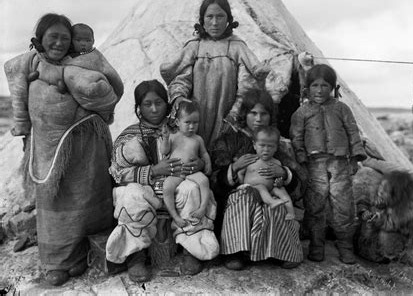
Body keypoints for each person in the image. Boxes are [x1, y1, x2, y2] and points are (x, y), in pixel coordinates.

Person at [3, 13, 123, 286]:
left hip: (87, 147)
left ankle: (88, 252)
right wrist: (22, 127)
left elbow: (108, 92)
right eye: (52, 37)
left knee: (88, 196)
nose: (58, 42)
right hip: (48, 148)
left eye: (64, 38)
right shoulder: (29, 64)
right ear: (41, 39)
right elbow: (18, 91)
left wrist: (65, 78)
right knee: (55, 202)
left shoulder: (81, 63)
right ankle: (59, 260)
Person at [106, 80, 218, 281]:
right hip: (146, 192)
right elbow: (116, 173)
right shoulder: (129, 134)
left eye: (159, 102)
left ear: (167, 104)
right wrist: (152, 170)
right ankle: (136, 256)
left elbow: (199, 153)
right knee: (130, 195)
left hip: (177, 186)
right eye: (147, 104)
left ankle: (192, 248)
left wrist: (199, 164)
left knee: (193, 189)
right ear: (138, 108)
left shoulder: (182, 128)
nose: (155, 109)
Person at [210, 89, 304, 270]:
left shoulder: (278, 144)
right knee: (245, 196)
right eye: (253, 113)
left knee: (279, 203)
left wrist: (284, 174)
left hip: (271, 193)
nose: (258, 118)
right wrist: (234, 169)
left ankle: (282, 251)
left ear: (271, 116)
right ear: (245, 114)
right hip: (238, 200)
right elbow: (213, 179)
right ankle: (235, 251)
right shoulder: (229, 140)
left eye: (264, 113)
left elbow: (301, 183)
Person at [161, 0, 269, 147]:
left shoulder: (237, 48)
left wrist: (234, 114)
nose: (215, 22)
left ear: (228, 19)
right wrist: (179, 98)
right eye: (209, 16)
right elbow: (181, 79)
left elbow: (246, 86)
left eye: (220, 16)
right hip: (194, 118)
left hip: (226, 117)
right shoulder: (194, 47)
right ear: (202, 19)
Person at [290, 63, 366, 264]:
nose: (319, 90)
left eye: (325, 85)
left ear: (332, 88)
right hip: (314, 165)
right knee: (315, 207)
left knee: (344, 207)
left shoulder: (342, 109)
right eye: (315, 85)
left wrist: (356, 157)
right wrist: (301, 160)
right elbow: (296, 138)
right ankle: (317, 245)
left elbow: (353, 133)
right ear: (307, 88)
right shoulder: (302, 112)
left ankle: (345, 247)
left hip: (339, 164)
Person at [160, 100, 213, 228]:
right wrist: (166, 139)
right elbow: (164, 151)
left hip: (192, 172)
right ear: (177, 122)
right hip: (176, 173)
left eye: (195, 123)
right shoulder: (173, 137)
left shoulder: (198, 139)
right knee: (167, 187)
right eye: (187, 122)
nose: (191, 126)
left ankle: (202, 208)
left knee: (204, 181)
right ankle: (175, 216)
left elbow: (204, 153)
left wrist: (208, 163)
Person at [237, 126, 296, 220]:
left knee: (282, 191)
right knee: (261, 187)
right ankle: (271, 202)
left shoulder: (277, 162)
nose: (266, 149)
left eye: (270, 146)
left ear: (276, 148)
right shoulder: (251, 159)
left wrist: (279, 182)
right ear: (254, 145)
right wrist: (242, 185)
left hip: (271, 189)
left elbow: (278, 178)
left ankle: (290, 212)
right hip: (253, 189)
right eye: (262, 145)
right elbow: (240, 173)